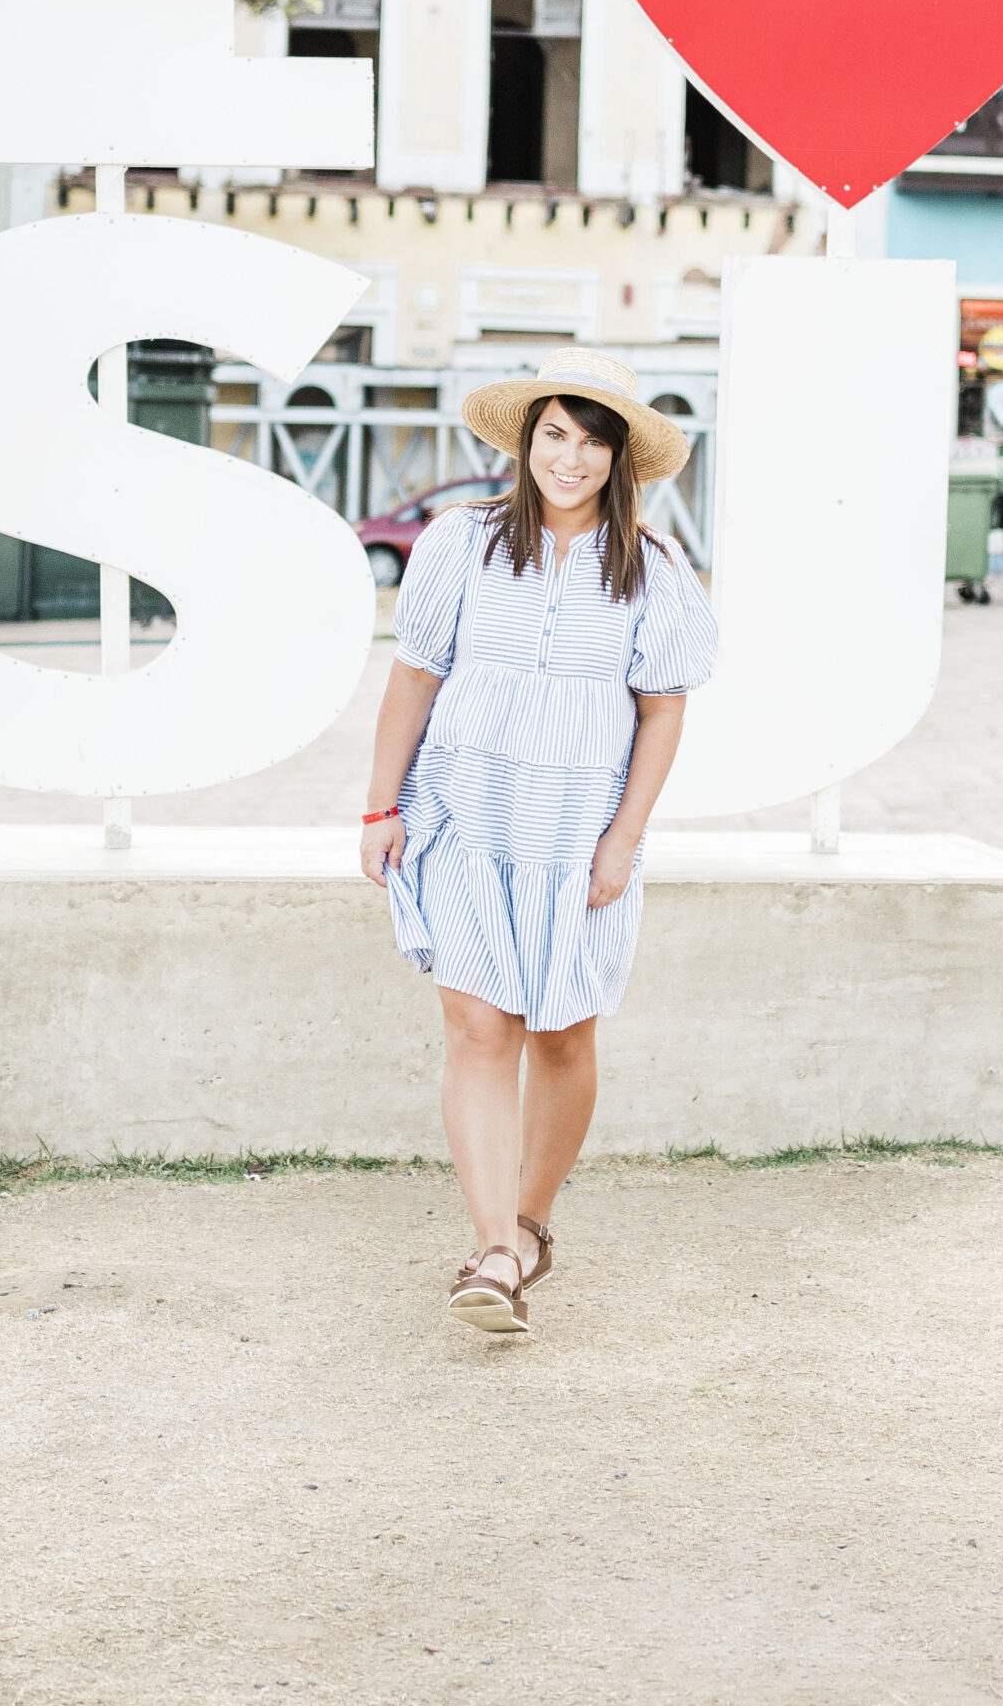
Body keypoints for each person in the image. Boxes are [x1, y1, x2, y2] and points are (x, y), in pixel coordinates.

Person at [358, 352, 716, 1340]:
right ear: (525, 441)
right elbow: (412, 678)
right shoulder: (458, 544)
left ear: (617, 458)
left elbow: (661, 715)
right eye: (553, 433)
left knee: (562, 1034)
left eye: (591, 440)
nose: (570, 456)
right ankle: (493, 1255)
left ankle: (530, 1221)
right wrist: (377, 806)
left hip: (577, 841)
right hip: (463, 823)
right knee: (480, 1030)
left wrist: (623, 837)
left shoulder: (651, 570)